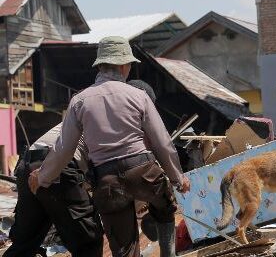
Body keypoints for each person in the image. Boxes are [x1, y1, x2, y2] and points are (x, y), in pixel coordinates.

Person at [29, 36, 191, 257]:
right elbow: (162, 143)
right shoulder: (139, 96)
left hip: (106, 183)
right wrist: (178, 179)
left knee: (124, 249)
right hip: (143, 173)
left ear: (101, 65)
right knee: (165, 207)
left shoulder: (80, 101)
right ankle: (168, 254)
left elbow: (64, 149)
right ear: (124, 65)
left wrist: (43, 177)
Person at [5, 124, 102, 257]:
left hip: (27, 164)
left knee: (24, 244)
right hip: (57, 167)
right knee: (89, 241)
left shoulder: (82, 111)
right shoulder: (116, 119)